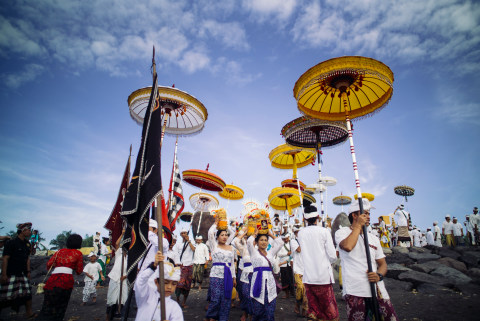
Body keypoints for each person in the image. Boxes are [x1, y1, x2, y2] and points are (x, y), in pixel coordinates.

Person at [335, 199, 398, 321]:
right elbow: (347, 246)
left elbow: (382, 264)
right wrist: (358, 226)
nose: (368, 217)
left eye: (369, 214)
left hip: (378, 289)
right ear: (354, 215)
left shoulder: (373, 238)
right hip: (355, 290)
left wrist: (379, 275)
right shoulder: (342, 233)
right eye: (365, 214)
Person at [297, 204, 339, 321]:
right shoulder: (324, 231)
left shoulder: (301, 233)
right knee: (329, 313)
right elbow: (332, 256)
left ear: (305, 218)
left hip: (309, 278)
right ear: (318, 217)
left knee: (314, 312)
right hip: (323, 278)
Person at [37, 233, 83, 320]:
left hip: (53, 280)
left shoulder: (59, 251)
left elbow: (48, 264)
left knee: (47, 306)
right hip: (66, 281)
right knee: (61, 306)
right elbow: (79, 271)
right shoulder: (78, 254)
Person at [134, 251, 183, 321]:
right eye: (166, 283)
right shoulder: (146, 296)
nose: (169, 287)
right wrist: (153, 266)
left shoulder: (175, 308)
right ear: (156, 282)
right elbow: (140, 282)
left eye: (174, 284)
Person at [0, 222, 35, 318]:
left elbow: (27, 258)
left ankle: (29, 313)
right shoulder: (11, 243)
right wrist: (4, 274)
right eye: (28, 230)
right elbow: (5, 258)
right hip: (11, 272)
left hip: (22, 273)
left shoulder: (27, 244)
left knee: (27, 293)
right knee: (4, 296)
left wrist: (28, 272)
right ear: (22, 231)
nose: (30, 232)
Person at [247, 228, 283, 321]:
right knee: (258, 311)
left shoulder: (270, 253)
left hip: (270, 284)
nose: (264, 242)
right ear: (257, 242)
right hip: (257, 284)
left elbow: (280, 243)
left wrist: (270, 234)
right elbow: (249, 242)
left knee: (270, 312)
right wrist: (255, 233)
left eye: (265, 240)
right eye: (261, 240)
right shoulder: (254, 252)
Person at [205, 229, 236, 321]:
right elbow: (210, 233)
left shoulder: (231, 248)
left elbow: (232, 264)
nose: (225, 237)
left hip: (228, 276)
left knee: (226, 299)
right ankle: (210, 316)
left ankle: (223, 318)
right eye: (222, 235)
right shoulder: (214, 246)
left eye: (226, 235)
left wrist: (234, 277)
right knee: (215, 299)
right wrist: (216, 223)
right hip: (216, 275)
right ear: (217, 237)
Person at [105, 230, 128, 321]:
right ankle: (108, 318)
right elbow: (117, 243)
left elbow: (132, 270)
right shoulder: (119, 253)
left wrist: (125, 276)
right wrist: (122, 233)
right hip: (115, 278)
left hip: (124, 280)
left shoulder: (131, 257)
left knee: (123, 299)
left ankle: (122, 317)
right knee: (112, 299)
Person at [233, 227, 253, 321]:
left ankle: (252, 313)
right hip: (243, 269)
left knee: (253, 294)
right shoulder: (243, 247)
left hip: (256, 273)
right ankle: (245, 312)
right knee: (244, 293)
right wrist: (244, 233)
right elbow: (235, 241)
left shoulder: (258, 247)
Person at [175, 228, 195, 308]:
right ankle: (177, 300)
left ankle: (183, 302)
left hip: (189, 265)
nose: (184, 234)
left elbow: (194, 250)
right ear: (180, 234)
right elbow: (176, 254)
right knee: (179, 284)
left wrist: (189, 241)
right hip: (181, 266)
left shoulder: (192, 242)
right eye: (182, 233)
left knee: (187, 285)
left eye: (185, 233)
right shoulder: (178, 244)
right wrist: (177, 263)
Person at [290, 226, 308, 317]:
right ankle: (297, 303)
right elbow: (299, 249)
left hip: (307, 269)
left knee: (305, 291)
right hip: (298, 269)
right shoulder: (293, 241)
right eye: (297, 232)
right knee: (300, 287)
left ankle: (304, 308)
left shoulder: (306, 241)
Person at [277, 232, 294, 299]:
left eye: (287, 239)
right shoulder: (280, 245)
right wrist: (287, 253)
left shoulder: (292, 243)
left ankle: (293, 293)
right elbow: (278, 254)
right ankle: (287, 294)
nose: (286, 240)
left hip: (290, 263)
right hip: (283, 265)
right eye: (284, 239)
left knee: (291, 279)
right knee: (284, 280)